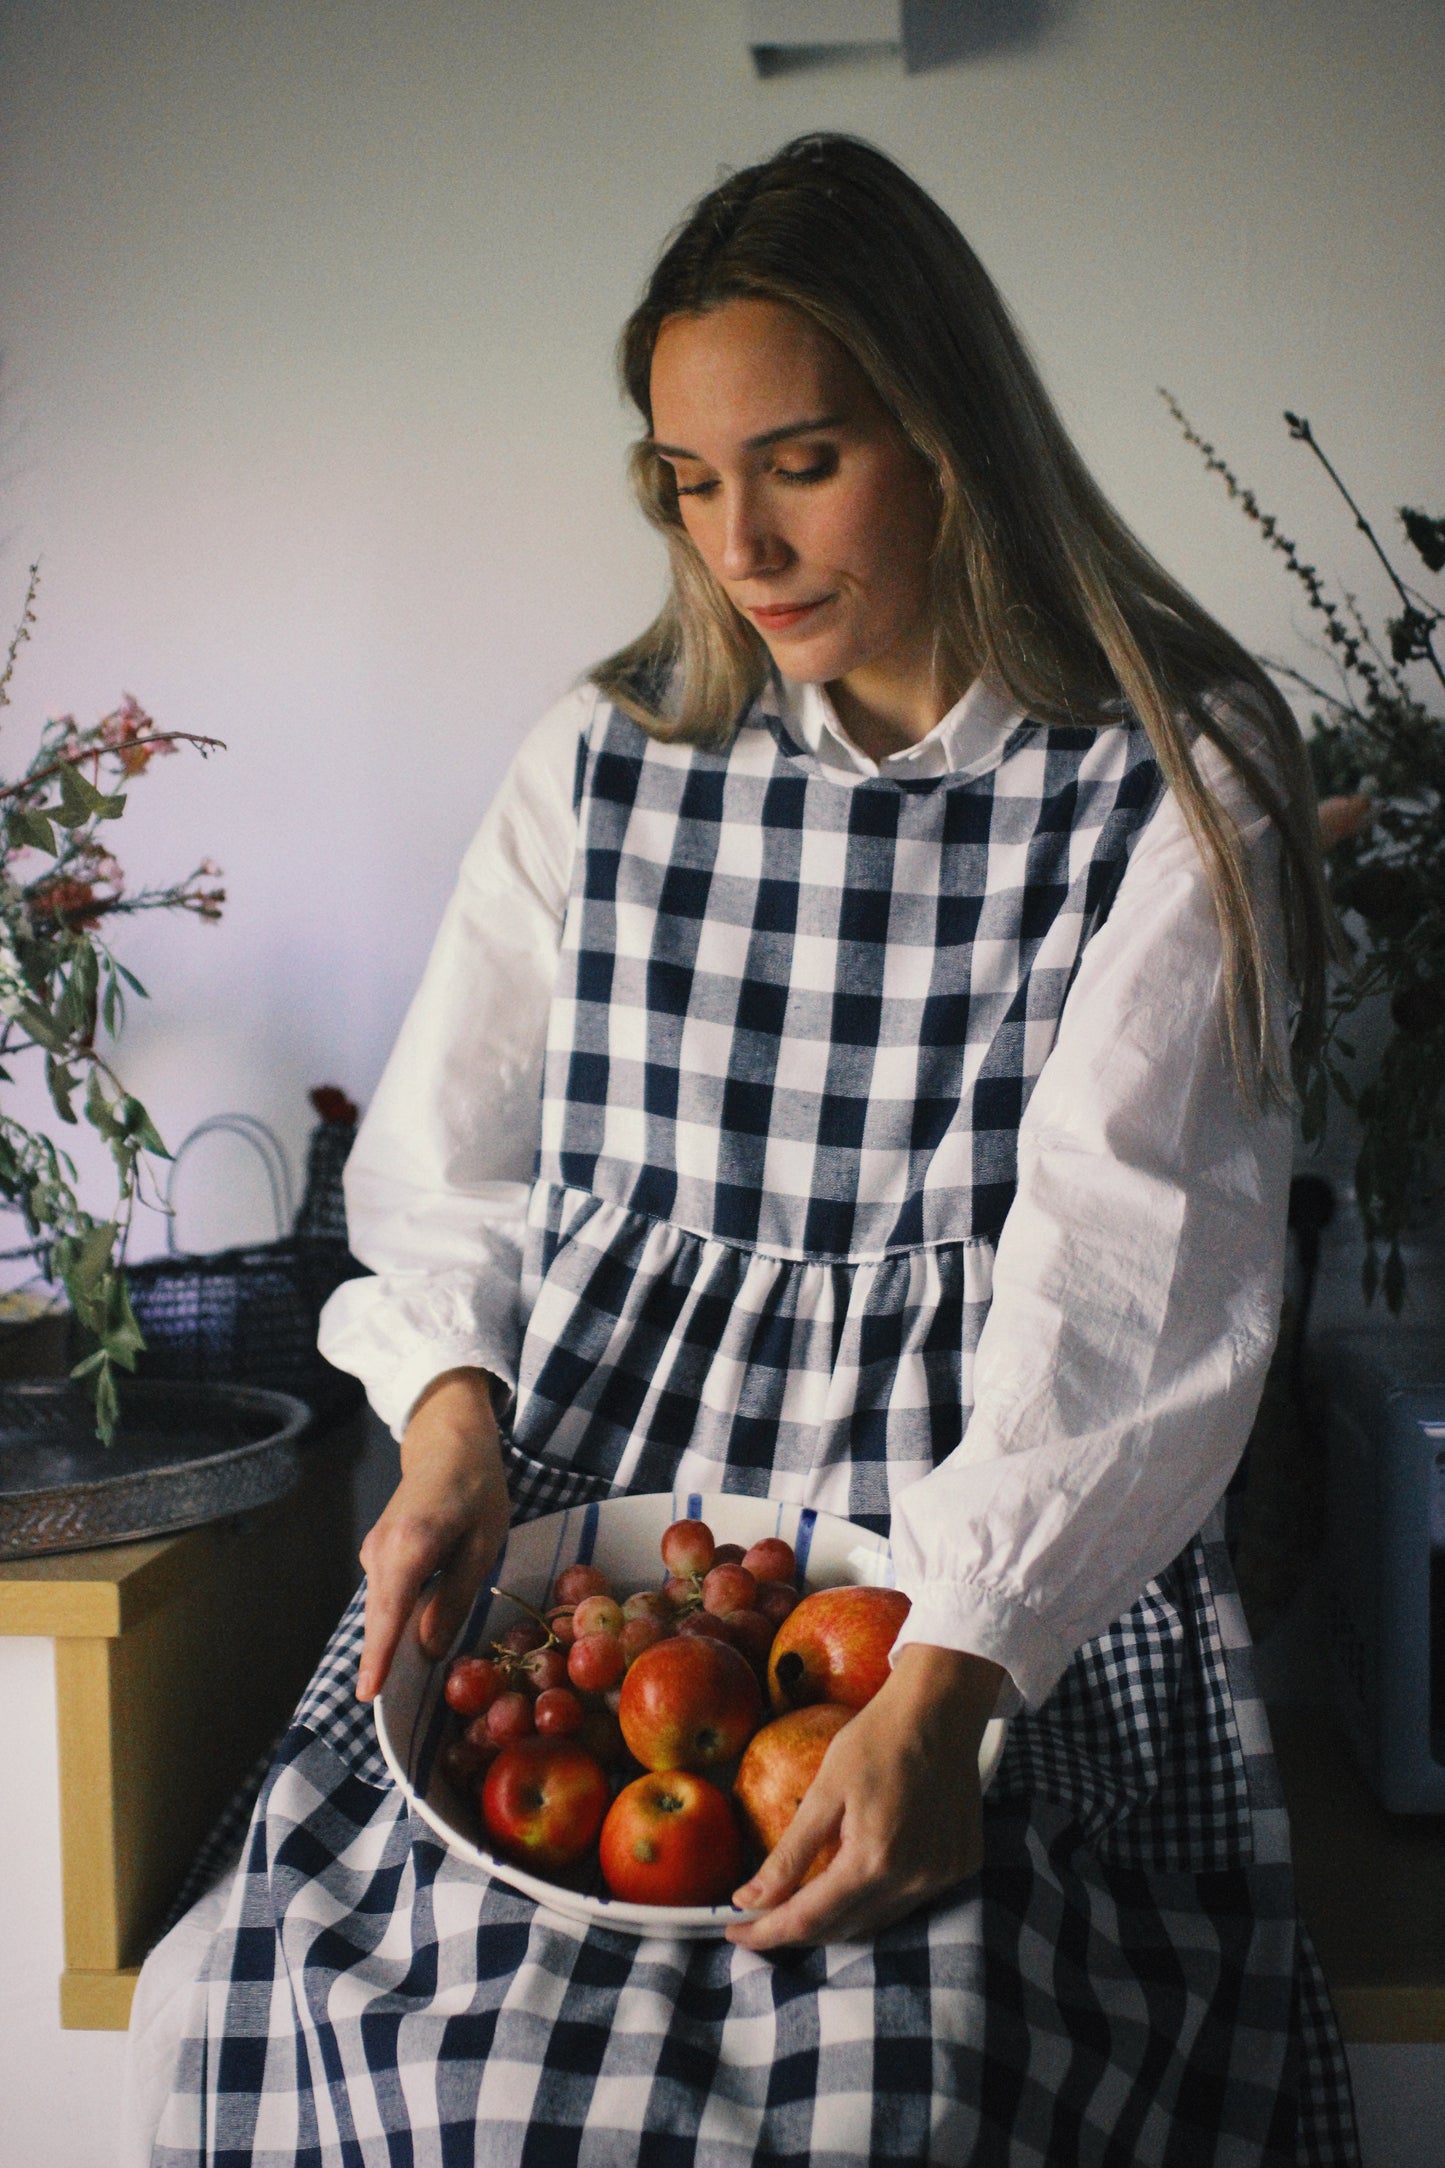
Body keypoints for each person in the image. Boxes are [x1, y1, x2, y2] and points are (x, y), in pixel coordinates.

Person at [137, 134, 1360, 2164]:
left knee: (906, 2075)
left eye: (801, 462)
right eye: (691, 482)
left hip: (980, 1558)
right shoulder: (603, 758)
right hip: (602, 1526)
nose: (744, 546)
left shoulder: (1167, 769)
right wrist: (449, 1430)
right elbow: (441, 1169)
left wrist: (954, 1683)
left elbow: (1130, 1274)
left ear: (951, 439)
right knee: (377, 2029)